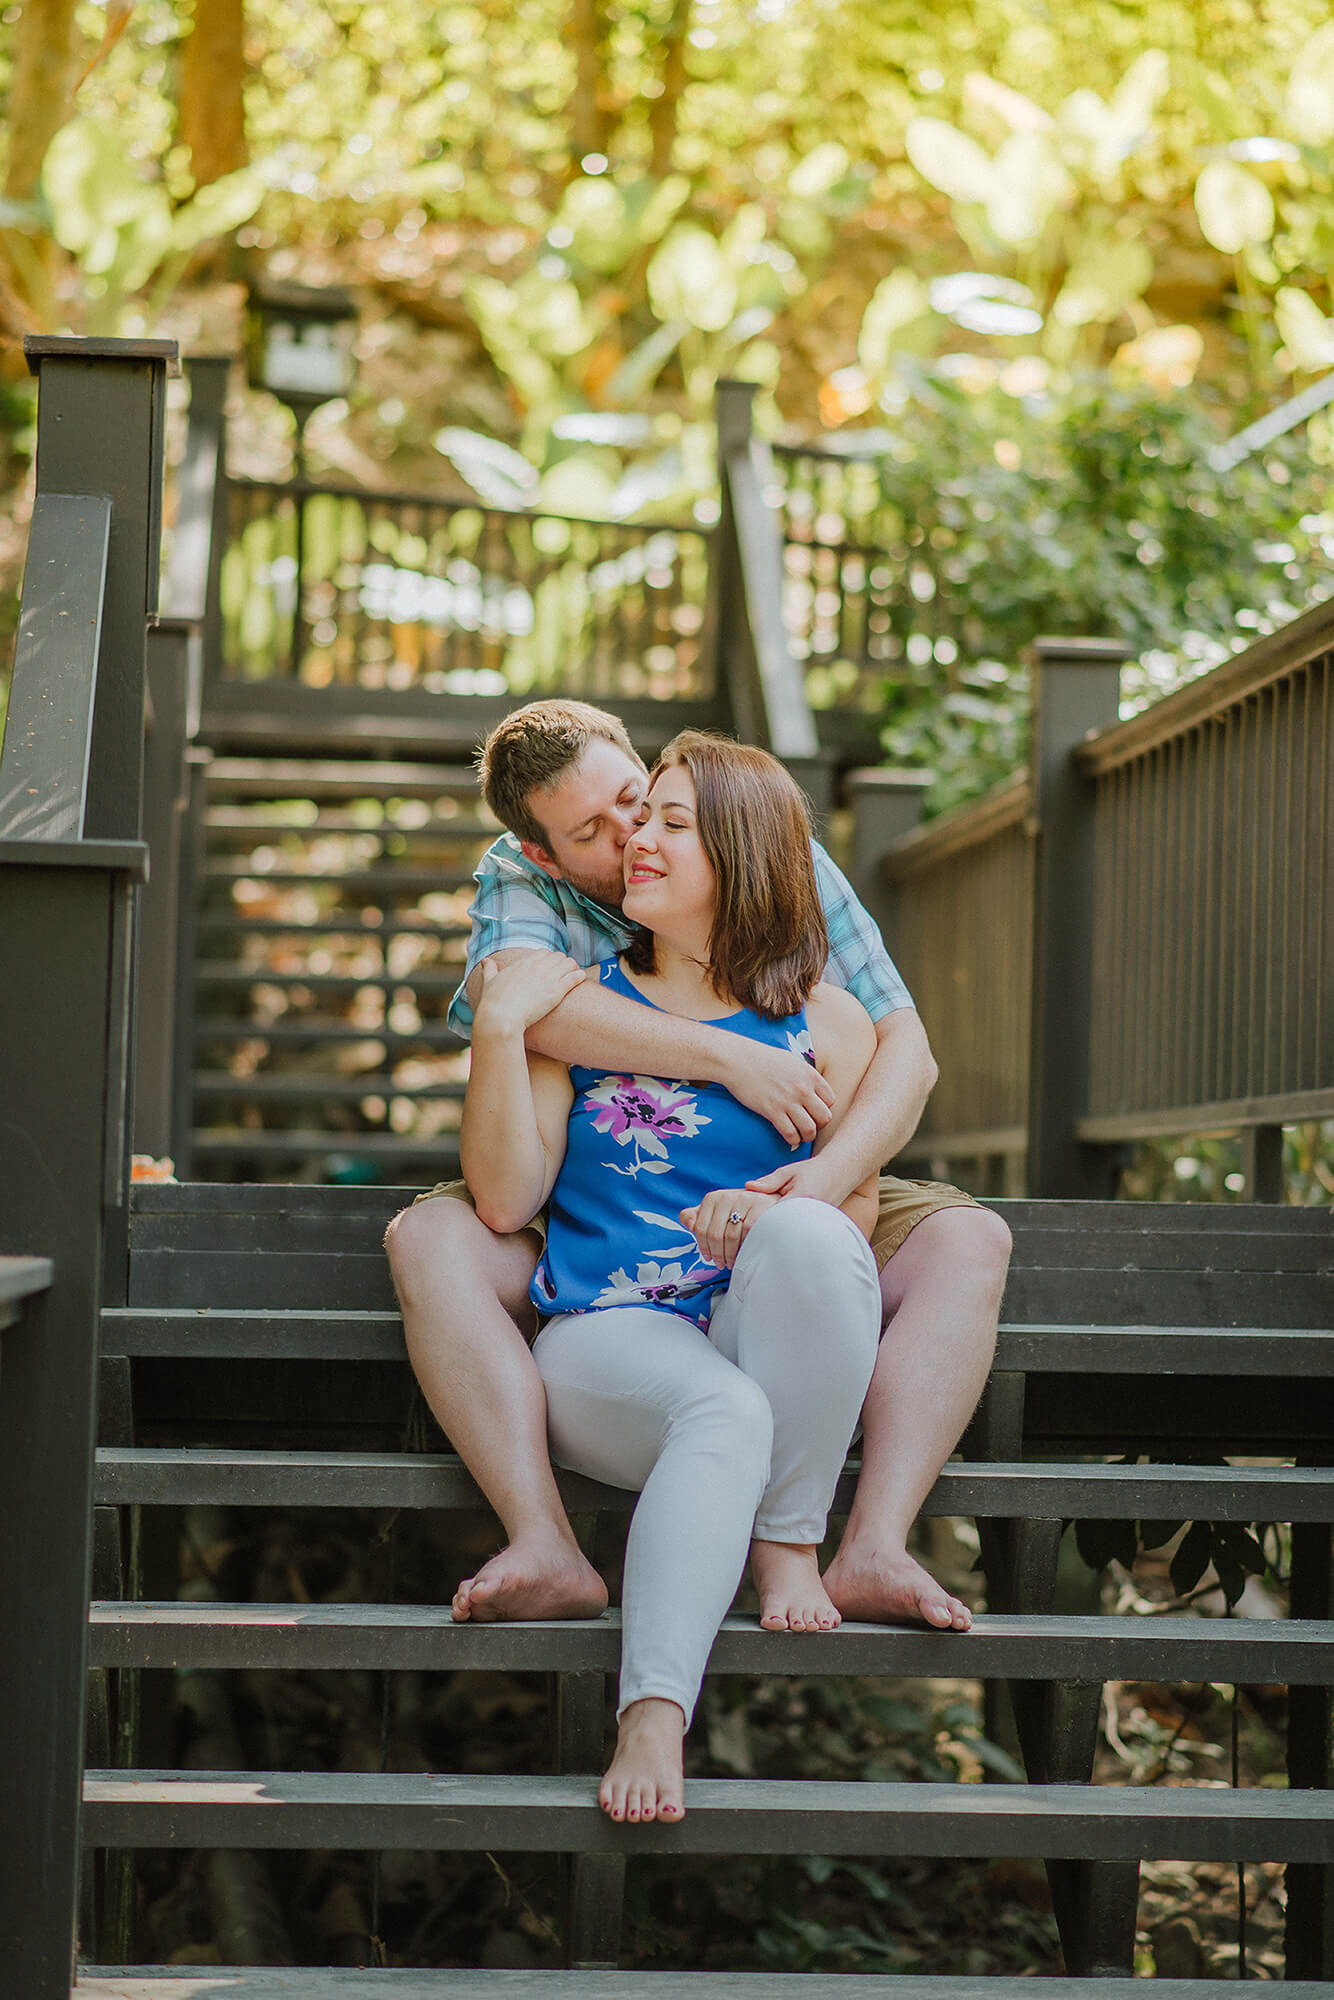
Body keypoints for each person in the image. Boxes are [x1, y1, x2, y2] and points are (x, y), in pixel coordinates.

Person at [385, 699, 1011, 1631]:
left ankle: (874, 1544)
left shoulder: (746, 834)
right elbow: (525, 1014)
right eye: (592, 832)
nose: (634, 832)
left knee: (969, 1241)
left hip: (784, 1164)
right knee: (430, 1236)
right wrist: (733, 1055)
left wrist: (824, 1177)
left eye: (638, 800)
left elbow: (902, 1050)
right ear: (547, 855)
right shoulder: (519, 876)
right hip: (592, 1166)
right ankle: (544, 1541)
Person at [460, 734, 884, 1821]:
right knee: (719, 1405)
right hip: (611, 1337)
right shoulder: (576, 1008)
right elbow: (505, 1198)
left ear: (738, 852)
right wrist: (500, 1030)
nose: (633, 839)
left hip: (746, 1326)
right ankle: (652, 1707)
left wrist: (779, 1203)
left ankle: (788, 1540)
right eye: (628, 822)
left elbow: (857, 1227)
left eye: (664, 821)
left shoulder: (823, 1021)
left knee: (803, 1243)